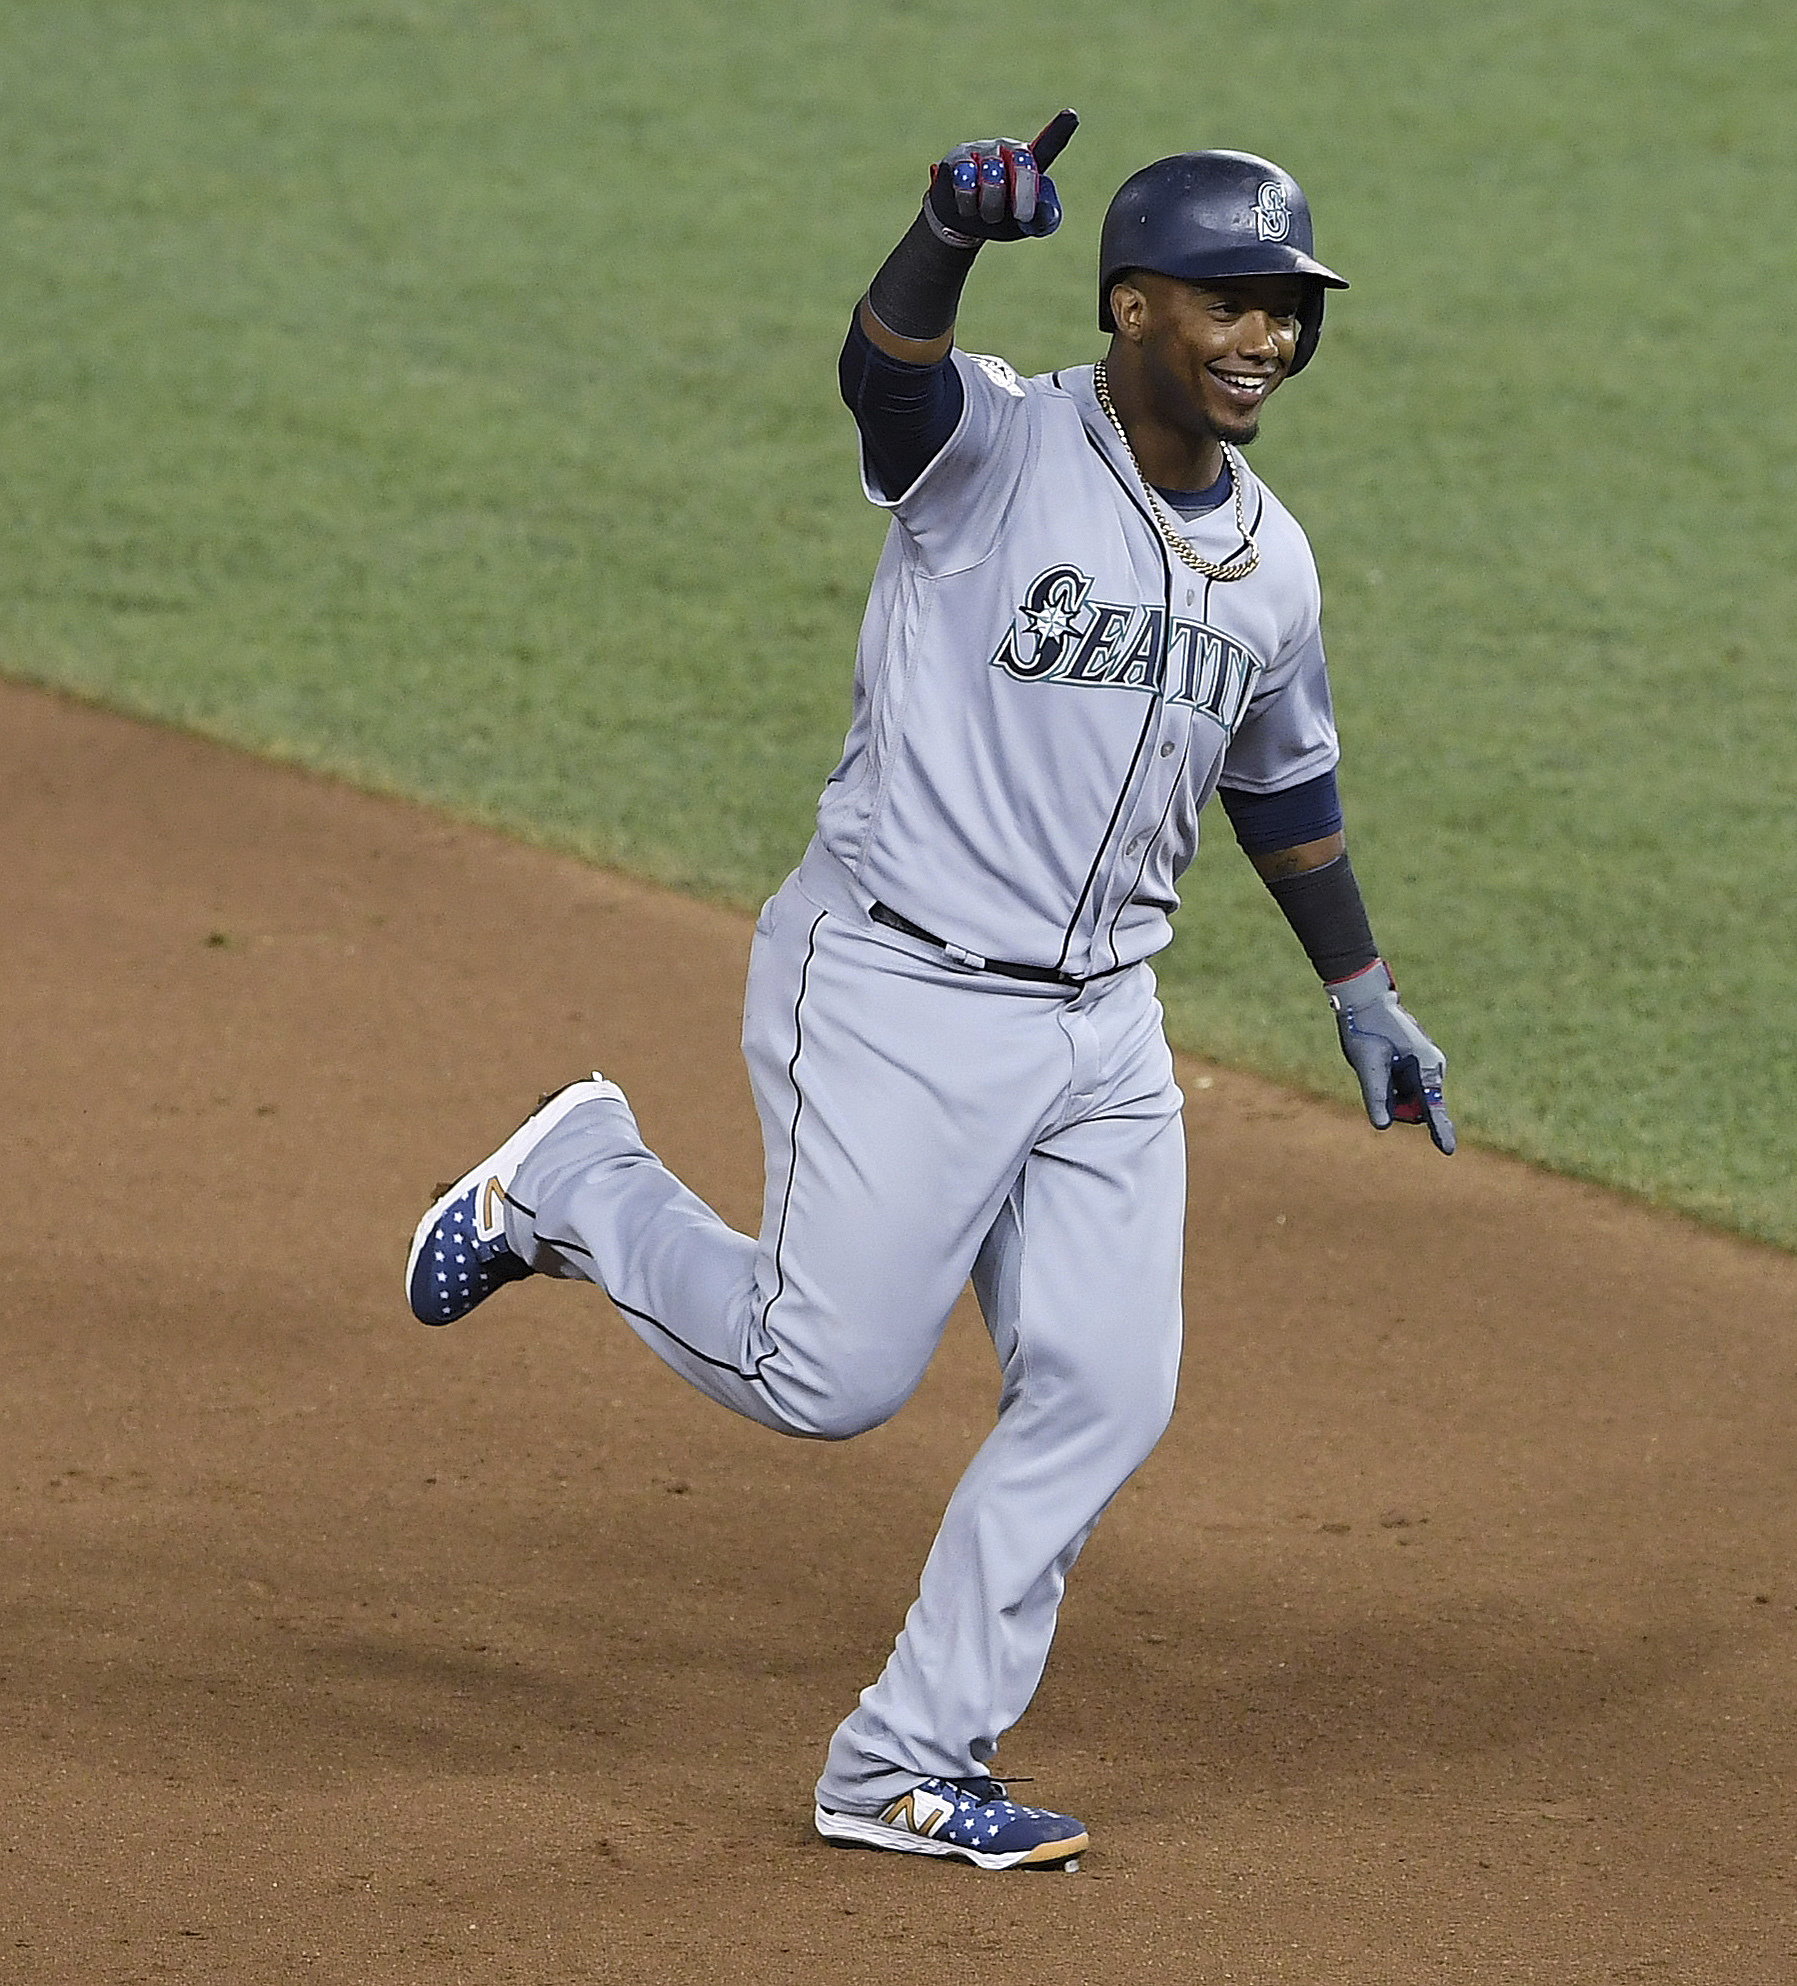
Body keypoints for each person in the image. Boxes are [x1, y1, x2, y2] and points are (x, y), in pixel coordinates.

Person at [404, 114, 1453, 1873]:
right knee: (825, 1379)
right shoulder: (995, 442)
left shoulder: (1274, 560)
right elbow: (877, 380)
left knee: (1107, 1385)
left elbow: (1283, 781)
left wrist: (1361, 988)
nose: (1268, 334)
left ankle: (906, 1755)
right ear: (1130, 305)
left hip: (1104, 1028)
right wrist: (939, 233)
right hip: (896, 979)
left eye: (1290, 305)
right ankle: (577, 1178)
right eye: (1229, 300)